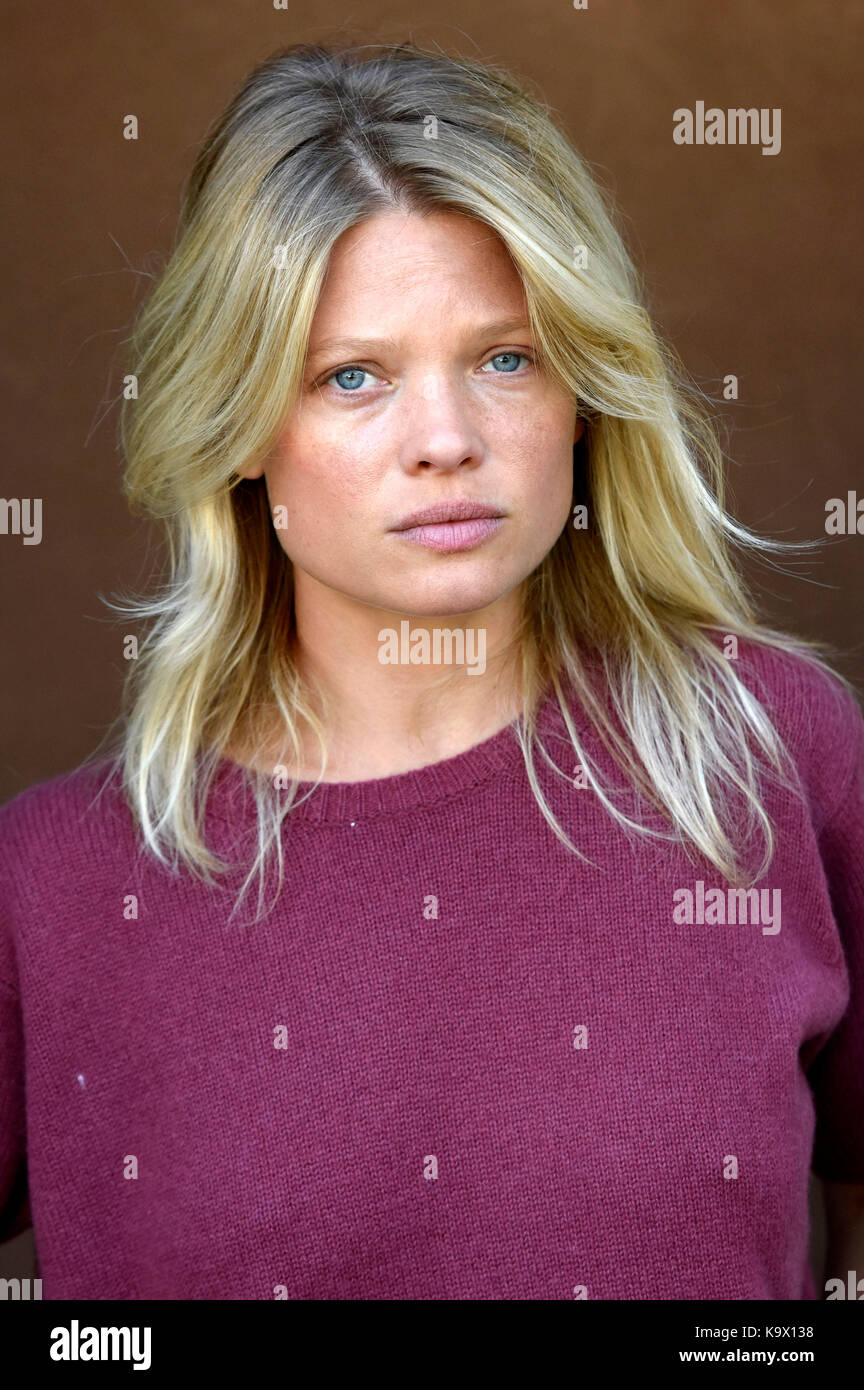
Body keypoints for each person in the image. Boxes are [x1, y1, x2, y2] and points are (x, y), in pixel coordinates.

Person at [1, 40, 862, 1301]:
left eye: (506, 358)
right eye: (354, 377)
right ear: (237, 428)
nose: (448, 441)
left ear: (583, 389)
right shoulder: (54, 889)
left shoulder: (772, 751)